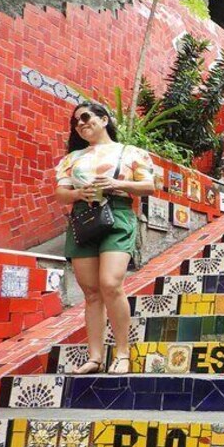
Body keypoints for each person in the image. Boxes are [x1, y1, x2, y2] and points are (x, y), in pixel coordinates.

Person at [55, 102, 155, 375]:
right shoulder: (72, 158)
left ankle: (122, 352)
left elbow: (149, 187)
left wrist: (118, 184)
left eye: (86, 117)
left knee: (110, 283)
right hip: (82, 218)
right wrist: (78, 194)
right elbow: (61, 192)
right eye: (76, 122)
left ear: (104, 118)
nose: (81, 124)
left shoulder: (130, 153)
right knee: (90, 293)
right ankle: (95, 357)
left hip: (117, 215)